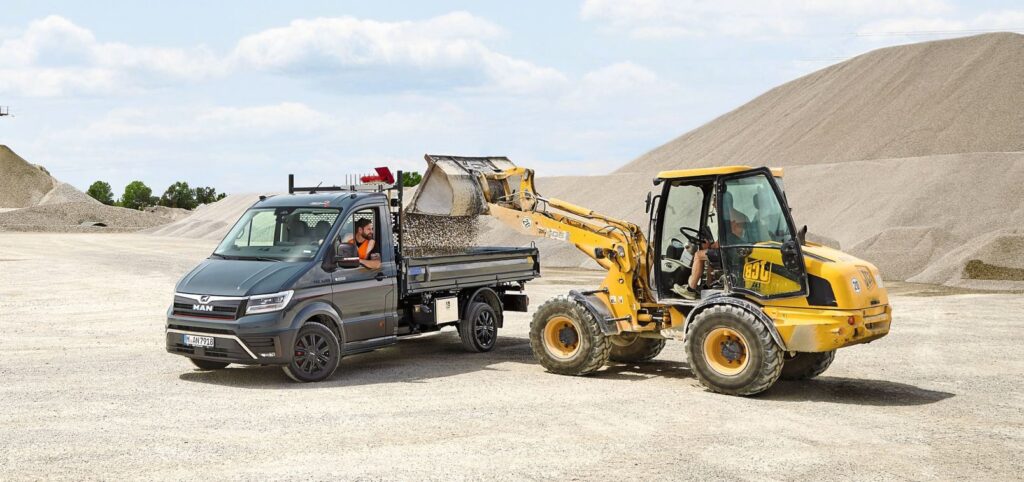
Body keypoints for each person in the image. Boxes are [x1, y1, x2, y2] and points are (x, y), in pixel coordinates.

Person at [673, 208, 748, 300]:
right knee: (709, 257)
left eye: (715, 201)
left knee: (698, 255)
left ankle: (690, 289)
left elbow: (721, 242)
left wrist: (709, 246)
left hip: (730, 252)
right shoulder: (738, 214)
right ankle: (708, 286)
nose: (713, 205)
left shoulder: (727, 217)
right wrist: (710, 246)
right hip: (737, 250)